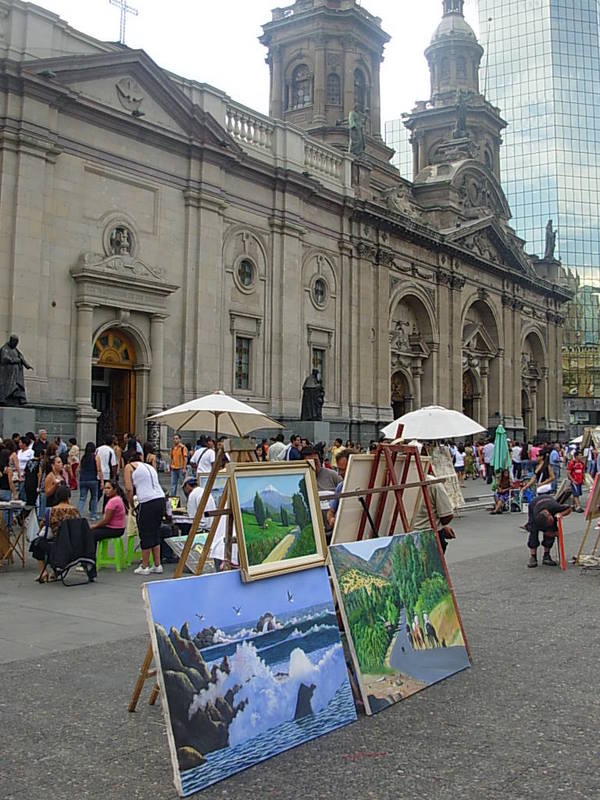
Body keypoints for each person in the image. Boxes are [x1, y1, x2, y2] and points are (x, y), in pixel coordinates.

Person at [124, 451, 165, 575]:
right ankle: (157, 565)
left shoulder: (129, 467)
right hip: (160, 499)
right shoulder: (149, 467)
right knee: (155, 532)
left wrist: (131, 504)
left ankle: (144, 565)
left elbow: (128, 488)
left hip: (147, 501)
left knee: (145, 532)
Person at [36, 484, 80, 581]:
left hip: (56, 541)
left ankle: (43, 572)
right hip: (72, 542)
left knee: (37, 544)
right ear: (68, 496)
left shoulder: (51, 511)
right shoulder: (75, 511)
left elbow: (43, 525)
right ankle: (56, 572)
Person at [412, 478, 456, 555]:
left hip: (398, 536)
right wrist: (440, 525)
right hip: (428, 535)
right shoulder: (433, 483)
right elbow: (447, 515)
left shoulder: (391, 480)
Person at [526, 494, 571, 568]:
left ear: (549, 514)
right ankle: (533, 557)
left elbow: (569, 509)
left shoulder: (554, 507)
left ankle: (546, 555)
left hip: (548, 501)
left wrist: (561, 514)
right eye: (550, 521)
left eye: (551, 519)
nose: (552, 520)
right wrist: (552, 533)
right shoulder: (536, 519)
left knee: (552, 529)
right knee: (533, 533)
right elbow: (547, 532)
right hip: (533, 505)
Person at [77, 442, 102, 519]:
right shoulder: (96, 457)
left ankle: (78, 514)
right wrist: (102, 481)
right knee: (94, 497)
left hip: (83, 479)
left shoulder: (83, 457)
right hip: (93, 479)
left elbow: (79, 469)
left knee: (82, 498)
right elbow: (99, 470)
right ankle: (93, 515)